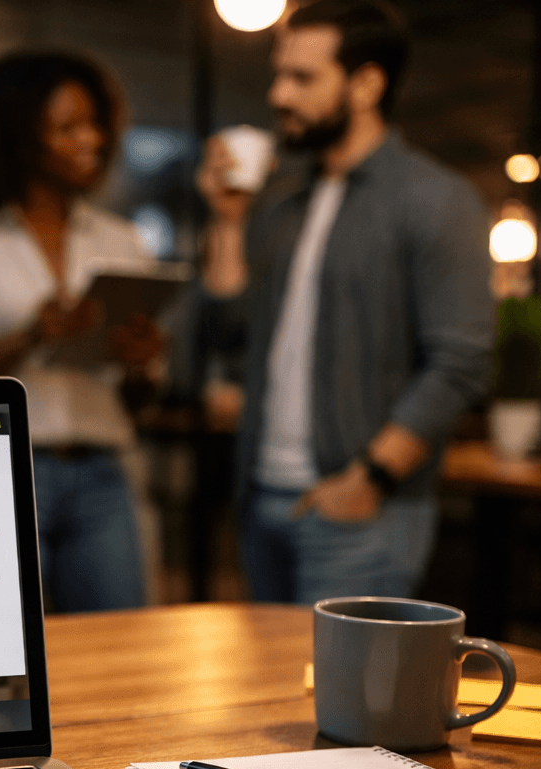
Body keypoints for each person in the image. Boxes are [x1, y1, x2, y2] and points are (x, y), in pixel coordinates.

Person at [196, 0, 491, 604]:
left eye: (303, 78)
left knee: (346, 699)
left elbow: (459, 363)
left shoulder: (436, 199)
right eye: (279, 74)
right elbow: (231, 329)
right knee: (269, 695)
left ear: (366, 84)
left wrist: (369, 479)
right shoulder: (281, 201)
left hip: (360, 509)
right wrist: (228, 224)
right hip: (261, 498)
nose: (279, 94)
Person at [0, 51, 163, 613]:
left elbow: (142, 400)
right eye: (67, 127)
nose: (90, 139)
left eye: (94, 123)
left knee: (120, 652)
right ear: (17, 137)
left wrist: (140, 362)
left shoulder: (122, 242)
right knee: (12, 661)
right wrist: (29, 336)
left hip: (103, 472)